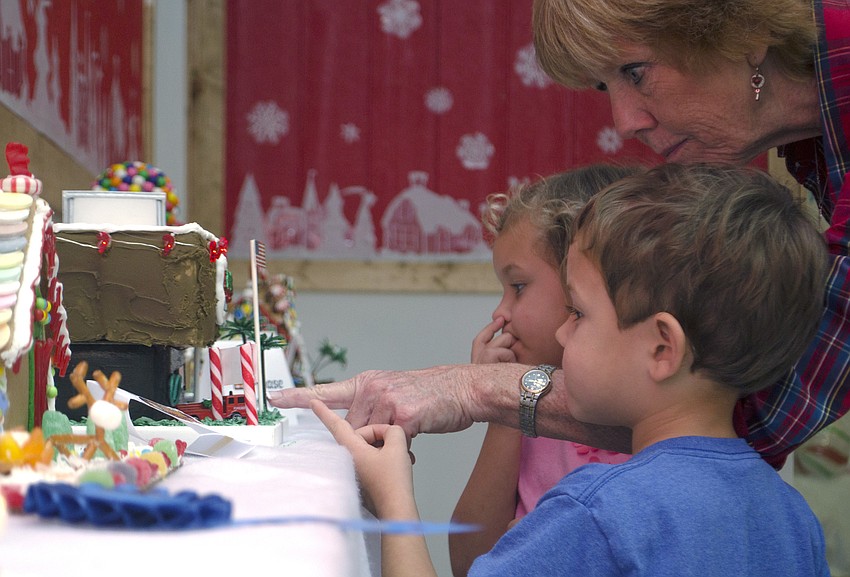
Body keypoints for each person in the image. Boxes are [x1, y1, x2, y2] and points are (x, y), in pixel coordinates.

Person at [269, 0, 850, 472]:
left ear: (741, 27)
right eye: (606, 88)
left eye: (636, 72)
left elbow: (752, 413)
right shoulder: (811, 146)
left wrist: (479, 391)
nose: (626, 121)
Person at [313, 163, 830, 576]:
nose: (563, 333)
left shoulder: (596, 515)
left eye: (578, 314)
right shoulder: (791, 516)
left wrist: (391, 495)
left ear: (661, 348)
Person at [450, 166, 636, 577]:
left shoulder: (647, 416)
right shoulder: (535, 409)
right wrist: (505, 409)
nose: (499, 313)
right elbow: (468, 560)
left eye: (518, 287)